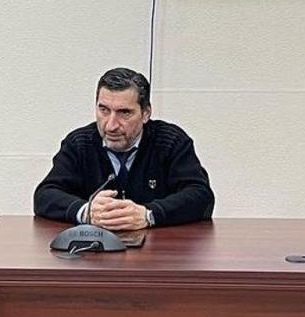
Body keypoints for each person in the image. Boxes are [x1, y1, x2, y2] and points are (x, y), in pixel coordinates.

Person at [34, 68, 214, 230]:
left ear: (145, 113)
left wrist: (149, 215)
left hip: (157, 250)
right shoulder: (79, 143)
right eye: (104, 110)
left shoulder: (171, 142)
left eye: (124, 113)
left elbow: (201, 196)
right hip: (93, 250)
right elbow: (44, 196)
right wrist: (85, 211)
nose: (111, 125)